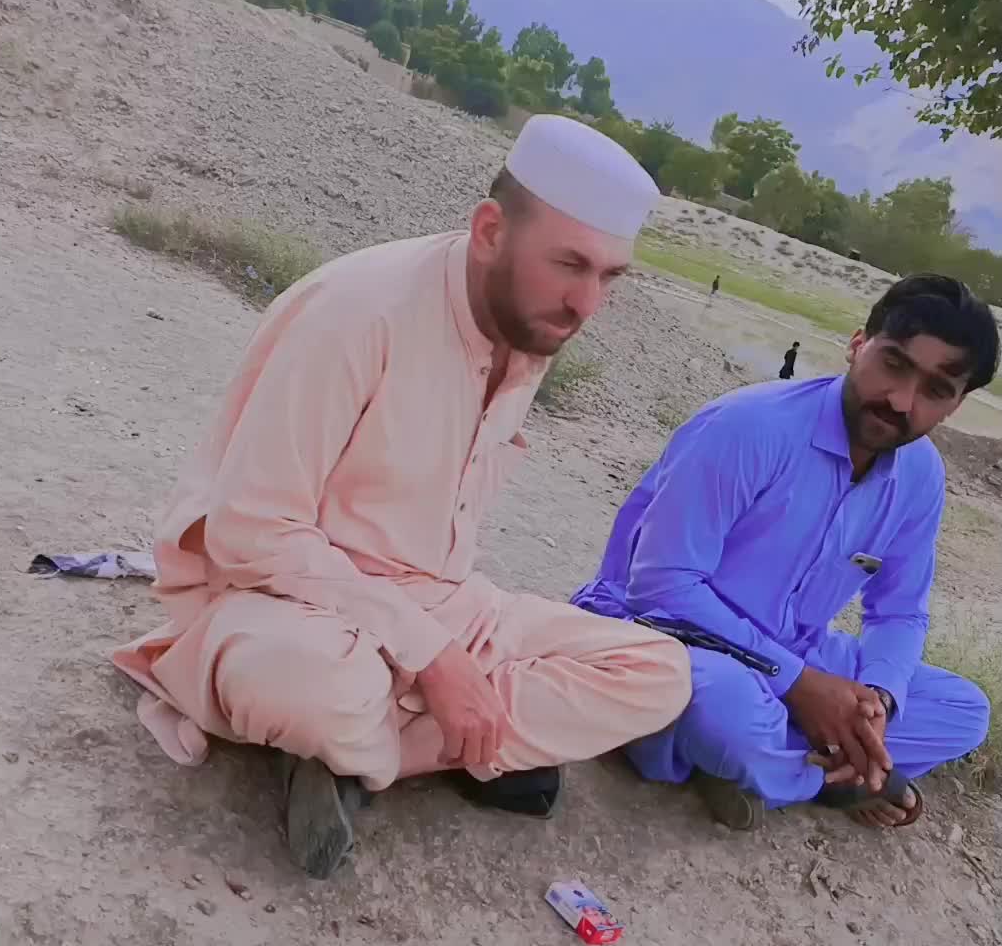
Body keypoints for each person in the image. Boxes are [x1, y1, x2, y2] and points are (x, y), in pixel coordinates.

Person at [115, 116, 691, 878]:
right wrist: (434, 660)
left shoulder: (530, 321)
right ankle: (449, 742)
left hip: (440, 603)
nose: (587, 304)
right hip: (287, 605)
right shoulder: (360, 312)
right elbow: (250, 530)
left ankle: (364, 759)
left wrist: (438, 650)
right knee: (319, 686)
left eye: (610, 277)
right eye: (569, 264)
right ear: (490, 231)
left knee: (659, 673)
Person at [573, 274, 999, 832]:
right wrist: (797, 684)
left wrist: (879, 702)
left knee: (963, 709)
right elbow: (661, 587)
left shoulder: (920, 477)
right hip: (665, 634)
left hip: (795, 650)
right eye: (894, 364)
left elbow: (899, 612)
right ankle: (828, 780)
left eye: (935, 390)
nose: (901, 400)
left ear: (956, 405)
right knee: (726, 708)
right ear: (857, 344)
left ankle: (766, 761)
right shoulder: (748, 427)